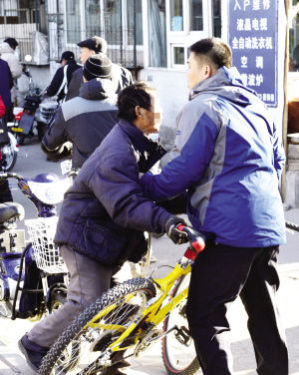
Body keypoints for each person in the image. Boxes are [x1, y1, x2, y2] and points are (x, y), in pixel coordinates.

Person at [140, 38, 288, 375]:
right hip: (268, 226)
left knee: (206, 315)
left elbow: (180, 171)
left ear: (207, 69)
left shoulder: (203, 107)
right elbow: (277, 161)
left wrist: (143, 183)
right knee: (264, 313)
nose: (186, 75)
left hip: (228, 231)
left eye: (189, 67)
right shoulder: (257, 106)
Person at [18, 82, 186, 373]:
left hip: (104, 237)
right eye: (156, 108)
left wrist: (187, 202)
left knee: (119, 303)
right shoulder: (119, 151)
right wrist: (166, 221)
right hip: (84, 236)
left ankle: (111, 356)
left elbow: (147, 189)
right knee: (87, 301)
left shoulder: (134, 141)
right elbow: (126, 205)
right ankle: (35, 342)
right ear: (139, 111)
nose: (161, 114)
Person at [41, 53, 118, 170]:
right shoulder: (125, 105)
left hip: (83, 177)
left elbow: (49, 144)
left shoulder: (68, 108)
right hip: (118, 175)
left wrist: (67, 149)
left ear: (84, 78)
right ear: (111, 77)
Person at [65, 35, 133, 101]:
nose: (79, 56)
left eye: (81, 52)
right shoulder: (125, 73)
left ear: (92, 53)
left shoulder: (82, 73)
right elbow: (131, 100)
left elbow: (71, 103)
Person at [0, 38, 22, 119]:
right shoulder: (12, 57)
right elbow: (17, 72)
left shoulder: (2, 56)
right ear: (12, 46)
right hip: (7, 92)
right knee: (8, 114)